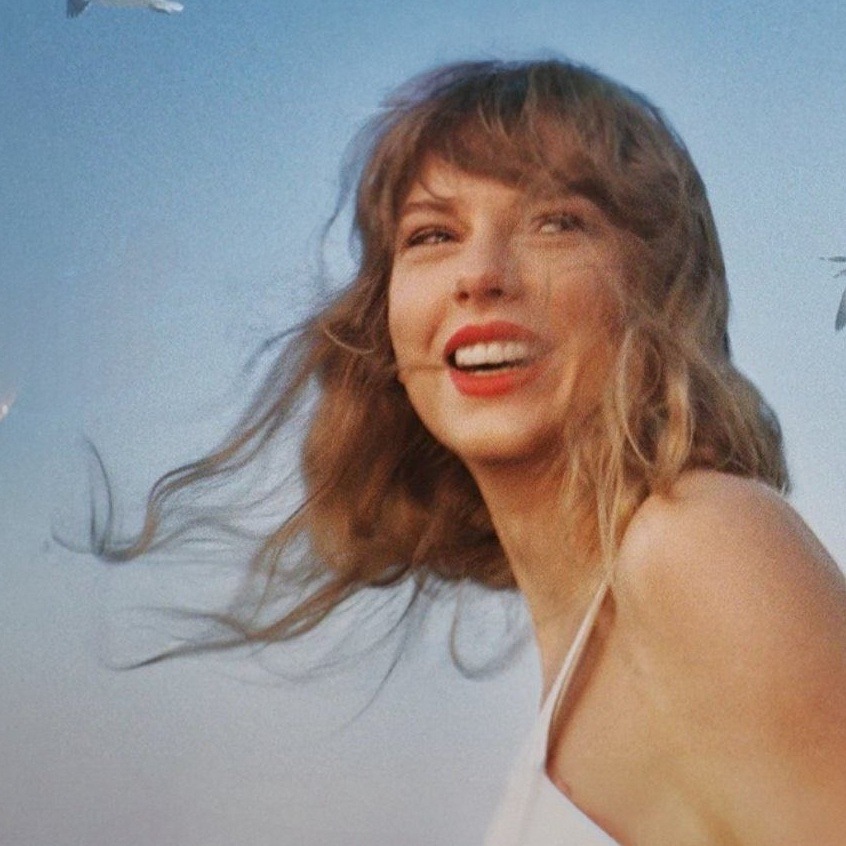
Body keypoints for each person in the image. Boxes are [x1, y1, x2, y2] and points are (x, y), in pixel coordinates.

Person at [94, 59, 846, 843]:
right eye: (432, 235)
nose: (480, 275)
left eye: (556, 222)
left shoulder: (700, 539)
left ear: (655, 287)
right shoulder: (599, 636)